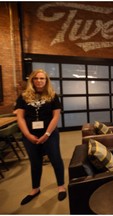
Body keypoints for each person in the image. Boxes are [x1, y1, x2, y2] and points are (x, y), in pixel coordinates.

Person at [16, 69, 66, 205]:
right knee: (35, 161)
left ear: (46, 80)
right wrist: (27, 134)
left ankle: (61, 186)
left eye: (42, 78)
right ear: (32, 80)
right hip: (29, 135)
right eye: (36, 78)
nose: (39, 81)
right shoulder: (23, 96)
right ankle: (35, 188)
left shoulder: (53, 96)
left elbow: (56, 116)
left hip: (50, 134)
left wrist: (47, 134)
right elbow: (20, 117)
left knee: (56, 159)